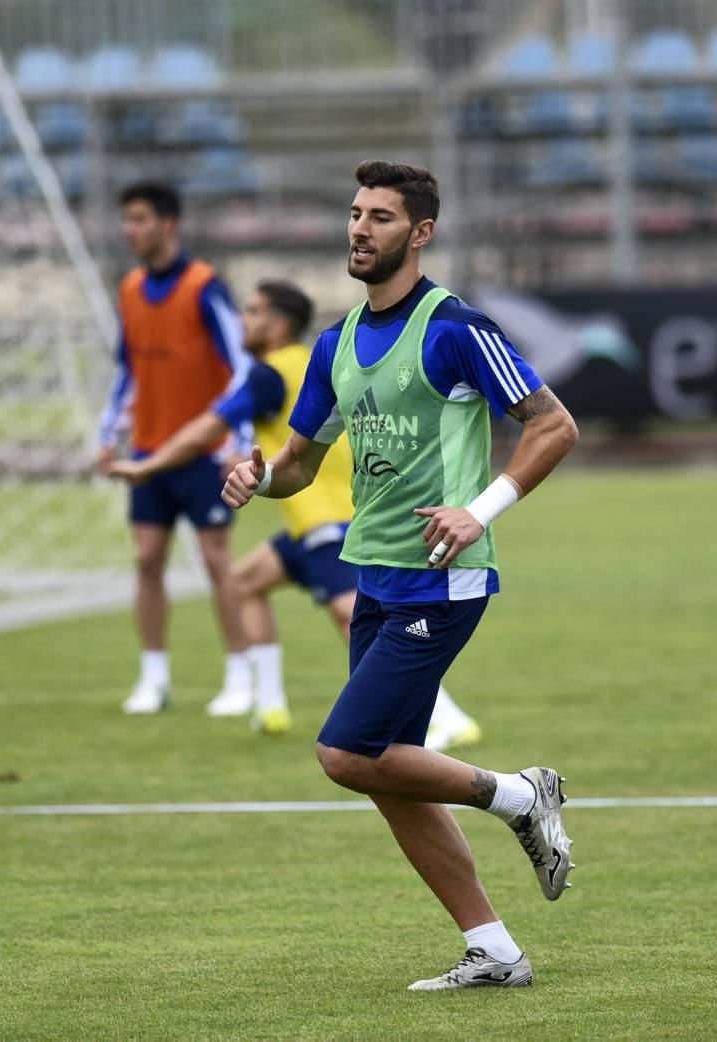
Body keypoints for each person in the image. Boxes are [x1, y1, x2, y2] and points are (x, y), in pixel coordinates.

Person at [222, 160, 579, 990]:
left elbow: (553, 425)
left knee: (346, 755)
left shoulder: (455, 327)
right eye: (354, 213)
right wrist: (257, 480)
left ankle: (523, 795)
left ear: (419, 233)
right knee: (391, 775)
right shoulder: (335, 344)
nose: (359, 228)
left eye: (380, 217)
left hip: (442, 579)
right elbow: (300, 466)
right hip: (375, 578)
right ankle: (493, 947)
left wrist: (479, 510)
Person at [111, 279, 482, 748]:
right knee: (246, 582)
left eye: (253, 312)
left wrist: (151, 465)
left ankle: (447, 716)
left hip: (324, 521)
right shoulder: (316, 360)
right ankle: (270, 706)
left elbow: (212, 424)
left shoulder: (268, 373)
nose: (243, 320)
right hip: (328, 516)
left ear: (279, 323)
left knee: (354, 620)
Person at [96, 181, 251, 715]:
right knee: (146, 559)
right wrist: (107, 435)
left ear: (169, 224)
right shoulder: (130, 288)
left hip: (204, 454)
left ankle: (239, 675)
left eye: (140, 218)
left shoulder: (205, 286)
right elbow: (127, 372)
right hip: (147, 450)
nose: (130, 229)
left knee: (215, 559)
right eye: (127, 220)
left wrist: (238, 439)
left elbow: (243, 367)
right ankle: (154, 676)